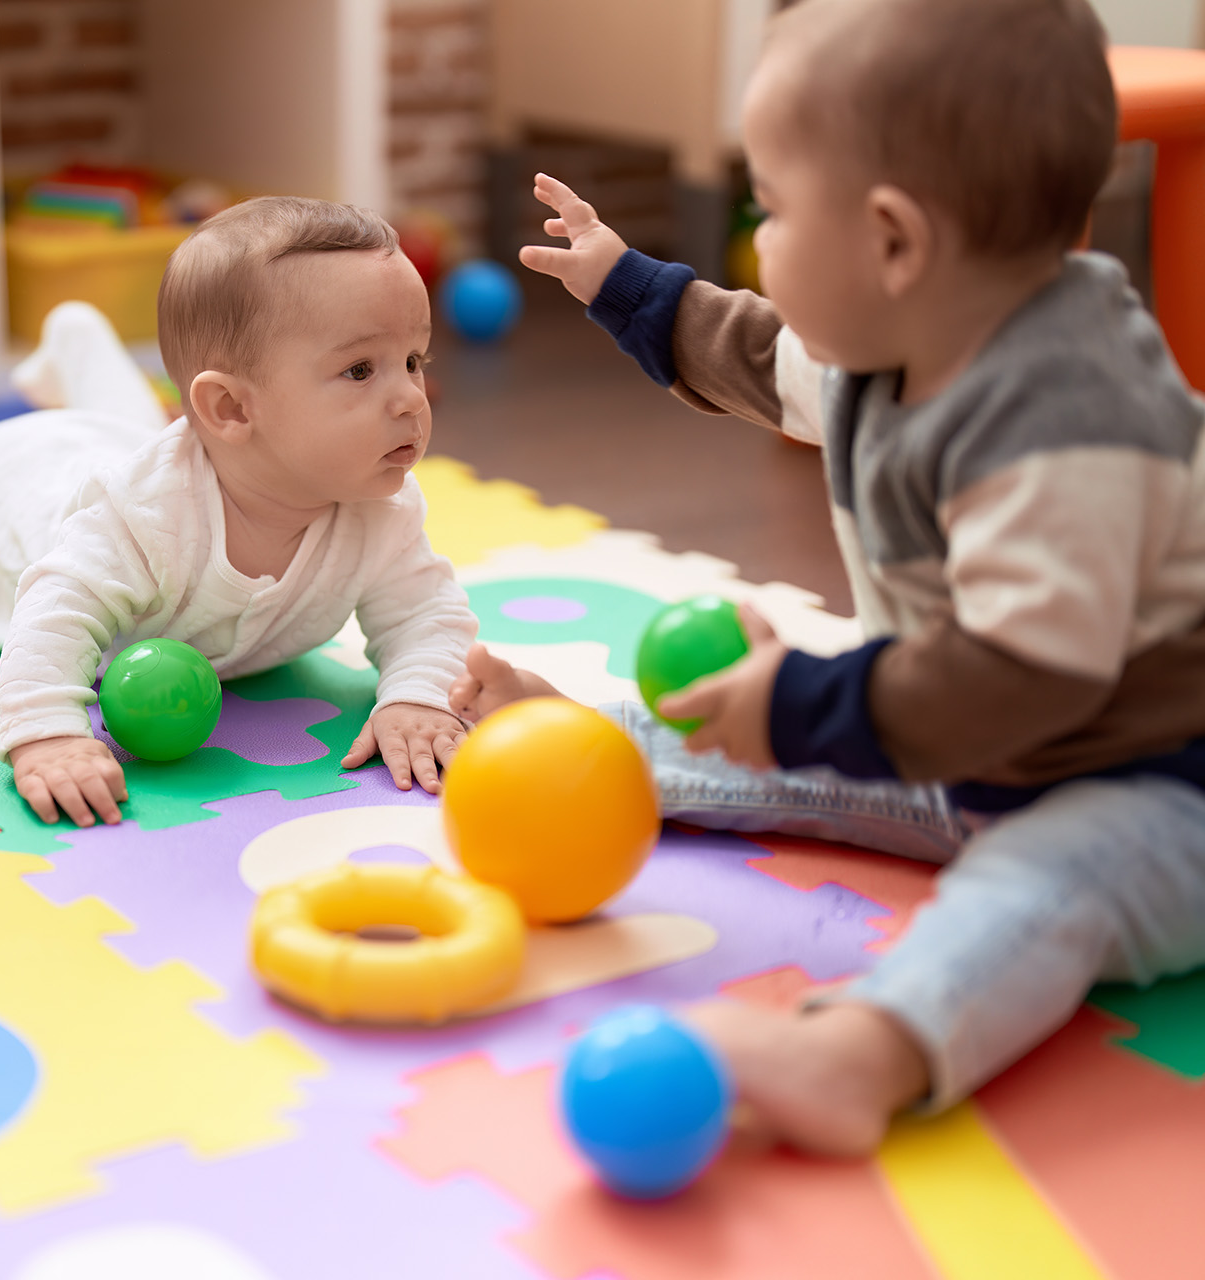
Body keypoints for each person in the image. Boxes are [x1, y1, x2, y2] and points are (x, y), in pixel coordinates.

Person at [455, 0, 1205, 1155]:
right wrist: (627, 286)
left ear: (893, 241)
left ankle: (862, 1050)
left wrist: (803, 703)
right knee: (770, 723)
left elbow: (1023, 672)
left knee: (1045, 889)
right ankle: (593, 746)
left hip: (1160, 785)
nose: (760, 234)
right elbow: (761, 353)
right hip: (972, 746)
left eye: (772, 208)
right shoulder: (894, 336)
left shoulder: (1069, 419)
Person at [0, 198, 479, 829]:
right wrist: (48, 735)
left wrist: (418, 697)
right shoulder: (143, 515)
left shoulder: (382, 507)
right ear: (230, 407)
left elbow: (427, 615)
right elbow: (57, 615)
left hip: (129, 445)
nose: (410, 397)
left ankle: (77, 345)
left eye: (415, 361)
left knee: (127, 432)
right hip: (9, 498)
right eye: (360, 370)